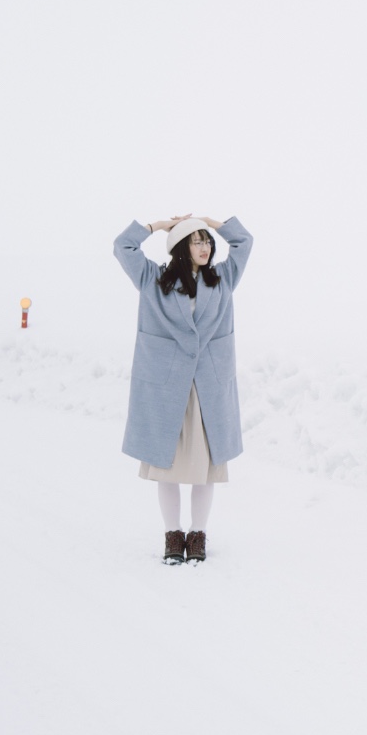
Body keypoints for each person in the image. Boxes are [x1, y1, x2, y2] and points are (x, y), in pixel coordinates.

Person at [113, 213, 254, 564]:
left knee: (206, 466)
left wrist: (213, 223)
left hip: (208, 388)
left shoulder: (222, 279)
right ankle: (173, 536)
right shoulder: (153, 279)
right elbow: (123, 246)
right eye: (196, 240)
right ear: (180, 247)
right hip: (167, 390)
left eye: (207, 241)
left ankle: (199, 535)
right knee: (168, 465)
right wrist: (156, 227)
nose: (205, 247)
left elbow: (244, 243)